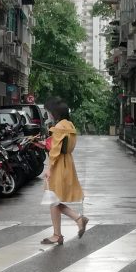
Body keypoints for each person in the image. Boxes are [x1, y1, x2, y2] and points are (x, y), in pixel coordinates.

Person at [41, 100, 88, 245]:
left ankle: (61, 232)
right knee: (54, 200)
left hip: (58, 165)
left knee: (53, 200)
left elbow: (55, 151)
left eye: (49, 112)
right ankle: (74, 222)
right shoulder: (69, 125)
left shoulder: (59, 127)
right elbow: (63, 147)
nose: (48, 114)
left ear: (55, 113)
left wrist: (49, 168)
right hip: (67, 163)